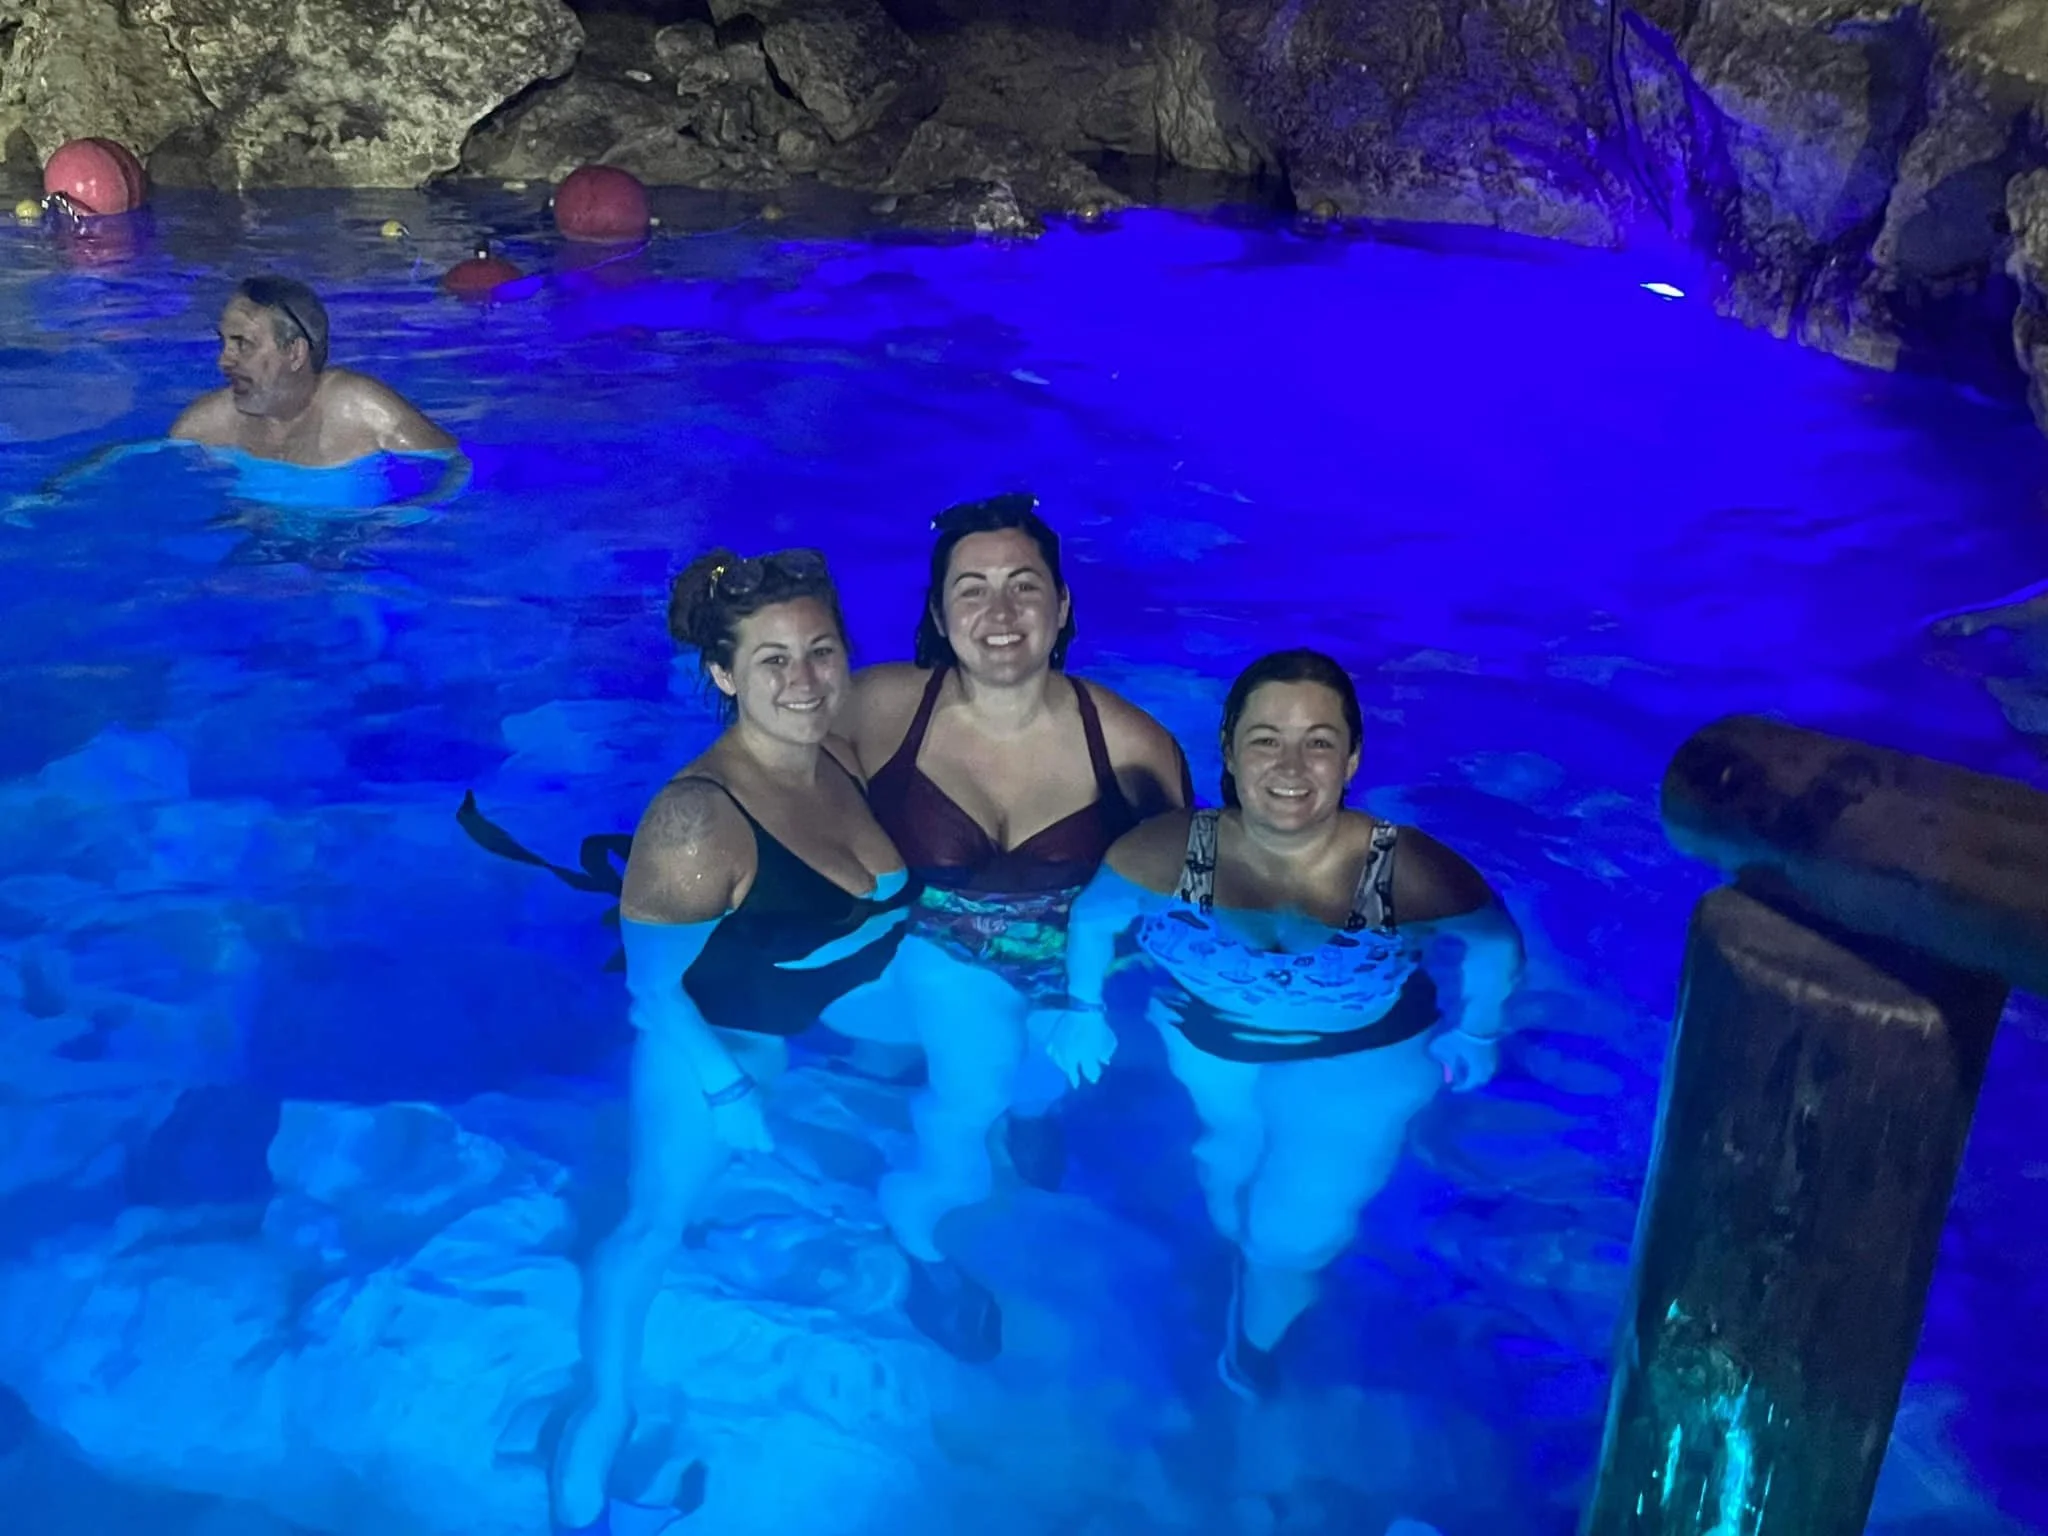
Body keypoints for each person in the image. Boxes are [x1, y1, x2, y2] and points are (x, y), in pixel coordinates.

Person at [550, 546, 918, 1531]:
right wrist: (727, 1093)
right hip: (722, 1033)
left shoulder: (835, 748)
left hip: (829, 997)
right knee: (650, 1226)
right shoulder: (693, 821)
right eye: (771, 662)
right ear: (721, 675)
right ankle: (603, 1408)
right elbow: (653, 995)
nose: (803, 682)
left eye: (820, 652)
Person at [1050, 649, 1524, 1400]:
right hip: (1210, 1032)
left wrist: (1479, 1031)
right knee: (1228, 1177)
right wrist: (1082, 1010)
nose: (1292, 765)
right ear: (1229, 753)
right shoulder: (1168, 851)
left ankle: (1260, 1323)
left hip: (1362, 1054)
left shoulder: (1406, 871)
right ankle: (1245, 1264)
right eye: (1266, 739)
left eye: (1320, 741)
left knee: (1294, 1229)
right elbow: (1094, 917)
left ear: (1353, 757)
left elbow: (1495, 942)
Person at [841, 493, 1189, 1359]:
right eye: (972, 589)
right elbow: (768, 786)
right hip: (935, 952)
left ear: (1063, 606)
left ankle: (1032, 1109)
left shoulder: (1134, 744)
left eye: (1024, 586)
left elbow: (1182, 895)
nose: (999, 614)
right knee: (968, 1111)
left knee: (1043, 1074)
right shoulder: (881, 708)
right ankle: (921, 1246)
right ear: (937, 612)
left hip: (1071, 965)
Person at [170, 275, 457, 465]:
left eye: (243, 344)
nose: (223, 361)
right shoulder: (206, 425)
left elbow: (456, 467)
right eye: (224, 343)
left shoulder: (359, 409)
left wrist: (410, 515)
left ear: (295, 353)